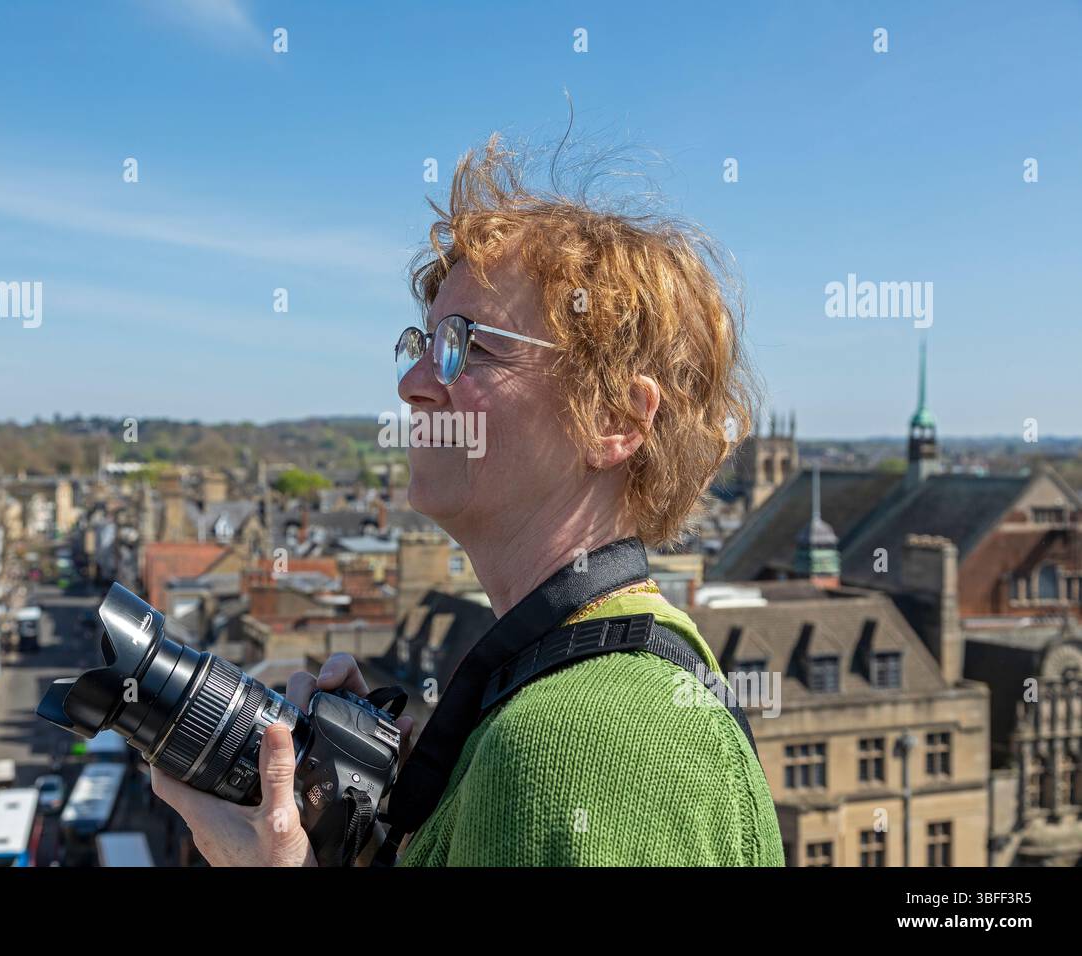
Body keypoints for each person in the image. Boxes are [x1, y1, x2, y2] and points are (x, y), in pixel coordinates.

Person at [153, 135, 783, 866]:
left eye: (466, 345)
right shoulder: (559, 691)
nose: (414, 383)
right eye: (421, 343)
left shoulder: (589, 743)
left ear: (614, 419)